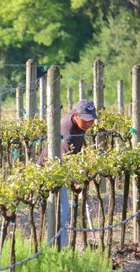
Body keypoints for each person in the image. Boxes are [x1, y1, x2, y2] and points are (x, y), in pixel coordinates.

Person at [37, 99, 98, 246]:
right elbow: (66, 164)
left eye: (92, 120)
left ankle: (56, 245)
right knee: (62, 211)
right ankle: (59, 249)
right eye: (86, 120)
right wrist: (77, 185)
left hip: (62, 168)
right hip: (51, 170)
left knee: (61, 211)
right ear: (76, 116)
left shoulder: (79, 118)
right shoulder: (67, 132)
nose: (89, 124)